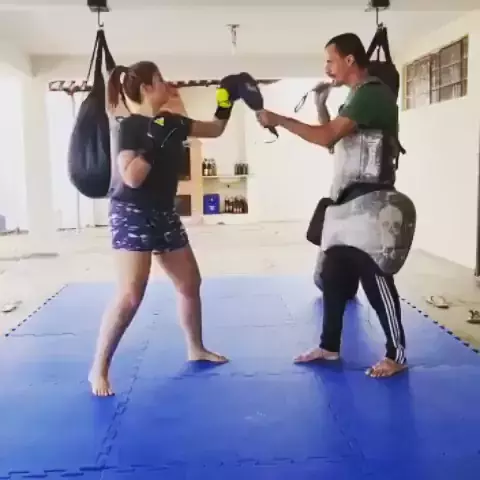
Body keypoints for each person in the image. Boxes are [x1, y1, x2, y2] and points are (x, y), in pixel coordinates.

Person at [256, 33, 408, 378]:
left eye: (330, 60)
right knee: (333, 276)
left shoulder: (372, 93)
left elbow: (326, 136)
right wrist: (321, 104)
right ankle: (329, 347)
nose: (326, 68)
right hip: (345, 201)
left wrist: (280, 119)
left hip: (371, 202)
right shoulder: (355, 98)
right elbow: (334, 144)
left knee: (375, 278)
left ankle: (396, 354)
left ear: (350, 60)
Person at [89, 61, 235, 396]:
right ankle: (98, 369)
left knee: (190, 283)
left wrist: (226, 99)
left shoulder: (173, 121)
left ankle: (195, 348)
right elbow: (132, 178)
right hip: (132, 212)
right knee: (130, 296)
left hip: (164, 212)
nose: (166, 84)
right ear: (145, 88)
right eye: (159, 80)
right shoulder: (129, 127)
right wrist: (154, 141)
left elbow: (215, 129)